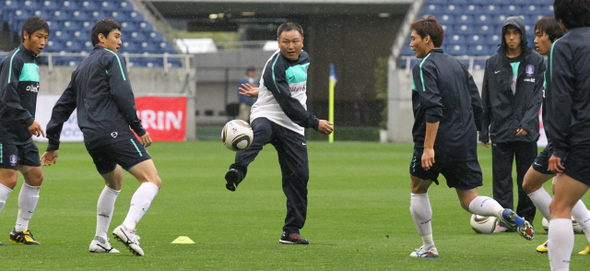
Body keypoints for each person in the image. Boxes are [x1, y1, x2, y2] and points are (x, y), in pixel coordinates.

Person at [407, 15, 534, 258]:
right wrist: (479, 133)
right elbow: (476, 103)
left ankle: (428, 248)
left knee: (417, 188)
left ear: (427, 39)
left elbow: (433, 108)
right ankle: (501, 213)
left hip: (438, 142)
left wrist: (428, 147)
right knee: (469, 200)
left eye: (413, 39)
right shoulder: (457, 64)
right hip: (464, 142)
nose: (411, 44)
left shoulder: (423, 66)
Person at [40, 19, 161, 256]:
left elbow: (61, 108)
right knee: (152, 180)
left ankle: (99, 239)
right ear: (101, 38)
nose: (120, 41)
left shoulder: (82, 67)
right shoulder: (111, 58)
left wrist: (53, 143)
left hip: (92, 138)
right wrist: (137, 126)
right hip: (113, 130)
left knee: (114, 182)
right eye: (116, 35)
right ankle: (128, 228)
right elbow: (122, 92)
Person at [223, 22, 333, 245]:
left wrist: (262, 88)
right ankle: (237, 170)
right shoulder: (275, 65)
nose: (291, 46)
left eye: (295, 41)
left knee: (299, 178)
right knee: (259, 133)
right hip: (270, 114)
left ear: (302, 42)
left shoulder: (305, 58)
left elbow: (289, 91)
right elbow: (288, 103)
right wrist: (314, 122)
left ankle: (291, 231)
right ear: (278, 43)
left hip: (293, 126)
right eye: (285, 42)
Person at [522, 15, 590, 255]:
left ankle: (559, 232)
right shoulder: (554, 61)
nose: (535, 40)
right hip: (564, 139)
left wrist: (559, 144)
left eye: (539, 34)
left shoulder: (562, 58)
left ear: (554, 35)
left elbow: (563, 104)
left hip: (566, 139)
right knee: (557, 186)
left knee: (532, 183)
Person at [480, 16, 545, 232]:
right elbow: (486, 98)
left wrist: (527, 123)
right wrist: (483, 130)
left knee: (526, 178)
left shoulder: (536, 61)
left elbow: (537, 97)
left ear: (522, 35)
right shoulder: (492, 62)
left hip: (527, 131)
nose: (511, 37)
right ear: (503, 36)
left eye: (515, 33)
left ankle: (526, 218)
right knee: (501, 179)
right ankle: (506, 219)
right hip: (500, 129)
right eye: (507, 33)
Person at [545, 1, 590, 269]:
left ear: (560, 19)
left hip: (582, 137)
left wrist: (558, 147)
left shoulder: (562, 46)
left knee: (559, 207)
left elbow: (559, 100)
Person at [0, 16, 49, 246]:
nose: (43, 42)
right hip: (5, 129)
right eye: (39, 36)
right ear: (26, 35)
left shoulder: (33, 62)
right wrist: (29, 119)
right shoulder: (14, 60)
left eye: (46, 38)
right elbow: (7, 96)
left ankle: (20, 230)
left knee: (35, 176)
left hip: (22, 133)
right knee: (9, 180)